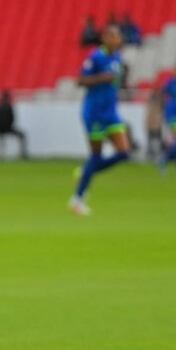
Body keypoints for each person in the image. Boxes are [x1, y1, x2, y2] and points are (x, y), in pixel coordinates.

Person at [69, 25, 130, 216]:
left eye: (117, 36)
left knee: (124, 153)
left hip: (110, 112)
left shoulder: (118, 58)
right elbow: (80, 81)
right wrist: (101, 78)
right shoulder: (95, 57)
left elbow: (117, 82)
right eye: (111, 36)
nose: (115, 39)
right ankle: (77, 198)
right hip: (94, 112)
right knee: (96, 155)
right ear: (104, 38)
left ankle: (88, 171)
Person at [0, 90, 28, 159]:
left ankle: (2, 156)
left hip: (0, 129)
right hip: (6, 129)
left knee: (20, 135)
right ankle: (23, 154)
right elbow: (12, 119)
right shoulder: (8, 107)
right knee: (22, 135)